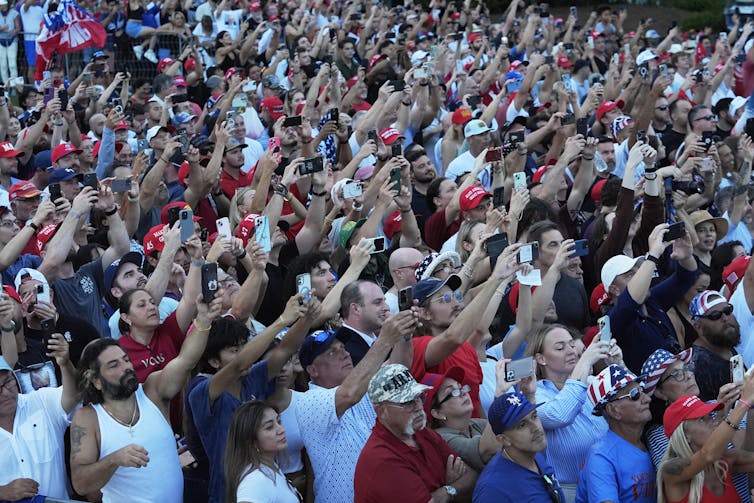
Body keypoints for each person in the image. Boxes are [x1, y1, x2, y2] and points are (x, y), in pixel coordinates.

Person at [69, 293, 223, 503]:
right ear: (96, 381)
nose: (126, 367)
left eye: (125, 359)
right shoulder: (88, 418)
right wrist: (114, 460)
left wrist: (203, 319)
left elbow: (185, 360)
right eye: (114, 365)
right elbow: (80, 482)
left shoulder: (152, 391)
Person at [354, 363, 477, 502]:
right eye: (407, 402)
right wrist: (451, 487)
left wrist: (446, 491)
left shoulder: (421, 432)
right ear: (382, 411)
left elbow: (471, 476)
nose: (418, 406)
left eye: (419, 396)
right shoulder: (381, 458)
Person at [526, 324, 613, 501]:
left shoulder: (590, 381)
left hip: (610, 480)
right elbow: (560, 414)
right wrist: (585, 361)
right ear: (541, 359)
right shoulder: (533, 394)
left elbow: (636, 399)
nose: (571, 351)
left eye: (572, 345)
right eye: (560, 347)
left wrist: (617, 364)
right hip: (570, 492)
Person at [0, 332, 76, 501]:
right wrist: (3, 492)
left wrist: (65, 364)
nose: (5, 393)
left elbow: (73, 396)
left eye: (8, 382)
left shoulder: (40, 402)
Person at [576, 365, 656, 503]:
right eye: (635, 395)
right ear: (614, 411)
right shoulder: (600, 457)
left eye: (642, 390)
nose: (647, 399)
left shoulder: (650, 440)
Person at [658, 389, 754, 503]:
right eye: (702, 419)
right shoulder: (670, 471)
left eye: (710, 417)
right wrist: (744, 403)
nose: (713, 423)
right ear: (684, 435)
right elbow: (707, 455)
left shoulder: (724, 461)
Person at [473, 391, 566, 503]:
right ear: (503, 439)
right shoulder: (493, 490)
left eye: (534, 416)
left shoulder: (534, 455)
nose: (535, 427)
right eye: (522, 425)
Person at [223, 401, 301, 503]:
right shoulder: (255, 481)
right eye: (269, 427)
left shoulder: (270, 466)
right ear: (252, 441)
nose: (281, 429)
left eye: (279, 421)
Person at [689, 290, 742, 401]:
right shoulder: (698, 366)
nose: (725, 318)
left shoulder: (723, 342)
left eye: (727, 311)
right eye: (715, 315)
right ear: (698, 327)